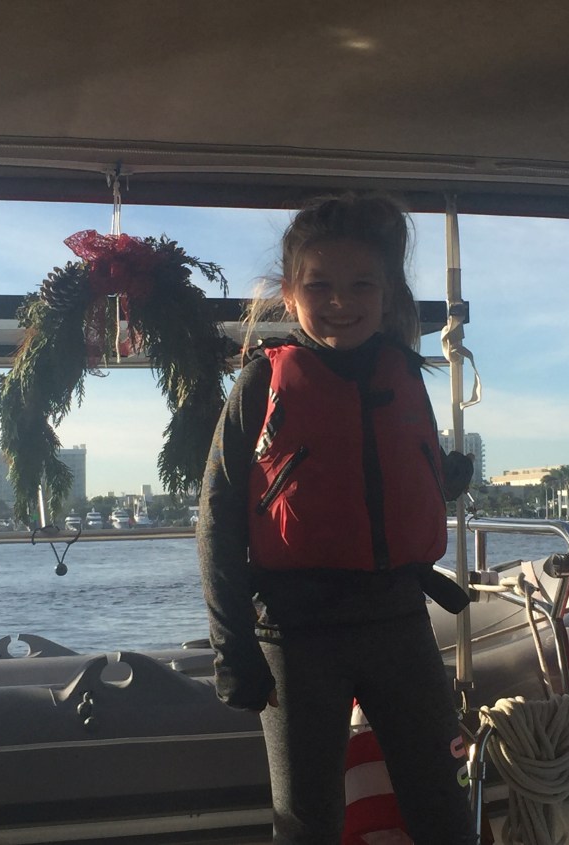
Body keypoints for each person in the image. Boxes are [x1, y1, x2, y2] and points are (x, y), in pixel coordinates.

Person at [197, 194, 477, 845]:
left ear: (387, 294)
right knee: (307, 823)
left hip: (399, 622)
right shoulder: (261, 384)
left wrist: (447, 480)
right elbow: (217, 521)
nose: (340, 302)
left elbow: (397, 475)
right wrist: (233, 649)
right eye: (319, 285)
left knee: (444, 810)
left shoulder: (405, 372)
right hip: (297, 635)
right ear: (289, 293)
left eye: (361, 285)